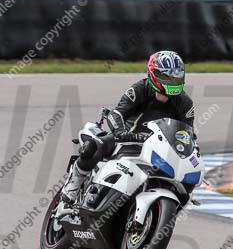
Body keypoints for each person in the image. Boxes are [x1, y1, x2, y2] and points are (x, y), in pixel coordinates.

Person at [61, 50, 194, 205]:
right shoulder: (139, 89)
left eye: (176, 76)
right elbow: (116, 113)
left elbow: (188, 133)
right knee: (95, 145)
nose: (172, 81)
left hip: (157, 148)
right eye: (167, 77)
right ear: (154, 74)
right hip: (128, 138)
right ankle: (74, 184)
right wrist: (120, 132)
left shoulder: (185, 102)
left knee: (183, 183)